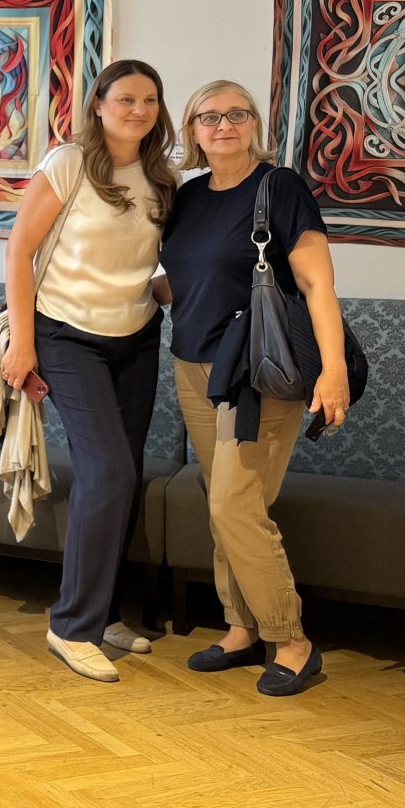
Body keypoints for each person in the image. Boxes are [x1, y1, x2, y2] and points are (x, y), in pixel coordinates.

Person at [158, 79, 348, 697]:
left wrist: (333, 367)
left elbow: (317, 283)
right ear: (191, 131)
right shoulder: (187, 197)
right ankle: (240, 628)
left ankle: (292, 640)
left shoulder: (280, 187)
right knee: (227, 506)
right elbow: (181, 279)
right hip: (193, 367)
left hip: (257, 372)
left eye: (236, 114)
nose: (223, 125)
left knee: (232, 505)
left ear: (254, 124)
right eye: (208, 117)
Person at [1, 60, 178, 683]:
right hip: (66, 334)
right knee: (106, 472)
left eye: (150, 100)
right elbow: (20, 249)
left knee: (124, 476)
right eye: (126, 98)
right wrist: (23, 345)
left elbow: (148, 265)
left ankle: (102, 616)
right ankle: (71, 627)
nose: (139, 109)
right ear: (99, 104)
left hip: (135, 337)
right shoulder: (68, 164)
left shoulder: (163, 176)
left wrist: (170, 292)